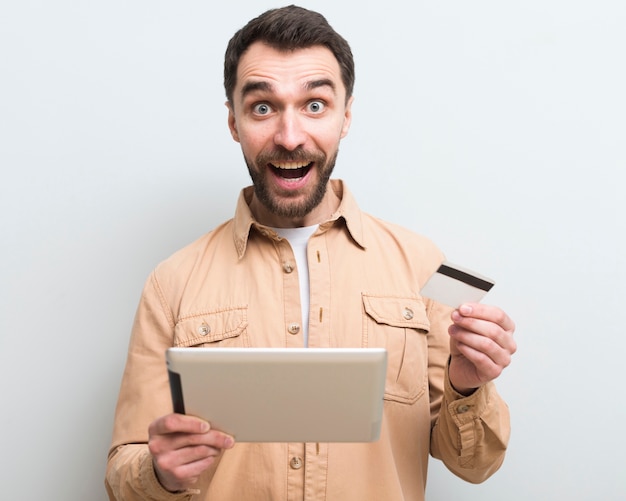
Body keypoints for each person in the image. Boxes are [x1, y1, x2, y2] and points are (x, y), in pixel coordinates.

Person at [105, 5, 517, 500]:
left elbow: (474, 465)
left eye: (315, 105)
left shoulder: (420, 265)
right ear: (233, 122)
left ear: (346, 116)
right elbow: (121, 477)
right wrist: (160, 472)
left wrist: (467, 386)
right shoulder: (172, 281)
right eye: (262, 107)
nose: (290, 136)